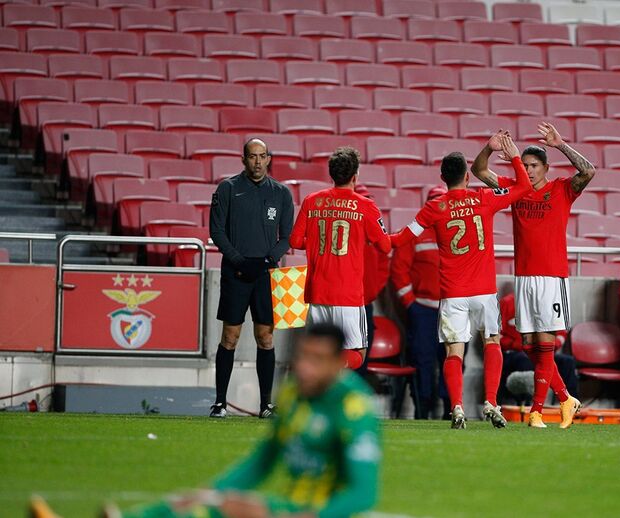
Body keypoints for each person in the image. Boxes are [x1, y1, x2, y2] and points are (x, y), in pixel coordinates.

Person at [28, 324, 381, 518]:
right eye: (304, 357)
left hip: (315, 513)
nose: (305, 368)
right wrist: (216, 489)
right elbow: (263, 460)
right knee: (190, 502)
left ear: (337, 363)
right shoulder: (293, 395)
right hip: (290, 508)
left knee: (215, 511)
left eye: (317, 360)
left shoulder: (354, 408)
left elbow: (363, 493)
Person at [390, 133, 531, 429]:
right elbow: (524, 187)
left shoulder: (435, 208)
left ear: (443, 179)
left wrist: (374, 235)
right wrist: (513, 156)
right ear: (468, 177)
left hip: (453, 293)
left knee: (454, 350)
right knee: (492, 341)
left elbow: (401, 238)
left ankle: (456, 407)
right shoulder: (484, 198)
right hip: (484, 291)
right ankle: (491, 402)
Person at [471, 123, 594, 429]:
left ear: (546, 168)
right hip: (524, 277)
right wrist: (489, 148)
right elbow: (478, 170)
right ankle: (565, 398)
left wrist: (560, 144)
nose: (528, 170)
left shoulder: (562, 189)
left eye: (534, 166)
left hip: (552, 278)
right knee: (528, 346)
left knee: (545, 345)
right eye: (525, 165)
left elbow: (588, 171)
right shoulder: (515, 189)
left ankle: (537, 412)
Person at [208, 137, 294, 419]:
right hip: (236, 272)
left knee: (265, 337)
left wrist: (268, 261)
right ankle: (220, 403)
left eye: (262, 156)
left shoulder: (281, 193)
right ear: (243, 159)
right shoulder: (228, 188)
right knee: (230, 336)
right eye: (252, 156)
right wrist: (238, 261)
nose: (258, 162)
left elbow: (287, 237)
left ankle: (266, 405)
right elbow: (216, 231)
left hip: (266, 275)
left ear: (269, 158)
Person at [289, 147, 392, 370]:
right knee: (357, 353)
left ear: (332, 174)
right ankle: (331, 371)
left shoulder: (312, 201)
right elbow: (385, 246)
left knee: (319, 349)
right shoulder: (366, 206)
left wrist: (318, 243)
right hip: (348, 293)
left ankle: (320, 381)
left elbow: (295, 241)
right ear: (355, 176)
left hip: (317, 291)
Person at [391, 186, 451, 419]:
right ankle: (422, 410)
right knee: (422, 361)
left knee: (452, 359)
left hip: (451, 310)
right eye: (435, 202)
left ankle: (450, 409)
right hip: (423, 312)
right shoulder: (414, 233)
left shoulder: (457, 230)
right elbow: (399, 270)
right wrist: (411, 304)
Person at [497, 293, 579, 406]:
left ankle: (572, 406)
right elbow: (495, 335)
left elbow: (561, 333)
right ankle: (528, 405)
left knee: (567, 362)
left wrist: (549, 345)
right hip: (514, 353)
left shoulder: (549, 303)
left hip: (542, 352)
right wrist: (516, 344)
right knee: (524, 359)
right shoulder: (507, 303)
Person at [355, 184, 391, 359]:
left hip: (366, 302)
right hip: (345, 302)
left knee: (363, 353)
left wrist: (373, 290)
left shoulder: (375, 232)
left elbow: (383, 263)